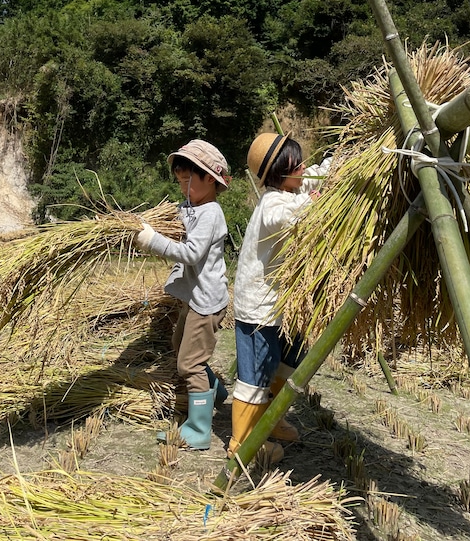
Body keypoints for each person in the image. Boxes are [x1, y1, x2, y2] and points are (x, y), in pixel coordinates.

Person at [229, 132, 331, 461]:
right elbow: (283, 217)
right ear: (277, 174)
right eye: (294, 165)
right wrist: (310, 204)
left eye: (301, 161)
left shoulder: (294, 187)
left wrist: (338, 165)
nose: (302, 168)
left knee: (282, 360)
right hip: (257, 307)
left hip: (280, 304)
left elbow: (318, 173)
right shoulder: (272, 202)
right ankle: (242, 444)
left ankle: (269, 422)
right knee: (256, 371)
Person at [136, 139, 230, 450]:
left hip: (207, 302)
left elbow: (190, 253)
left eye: (189, 181)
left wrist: (151, 240)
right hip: (195, 299)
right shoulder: (193, 208)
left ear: (210, 179)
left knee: (189, 364)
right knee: (181, 347)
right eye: (180, 182)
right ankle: (215, 392)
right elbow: (177, 225)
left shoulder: (211, 213)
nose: (184, 189)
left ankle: (199, 429)